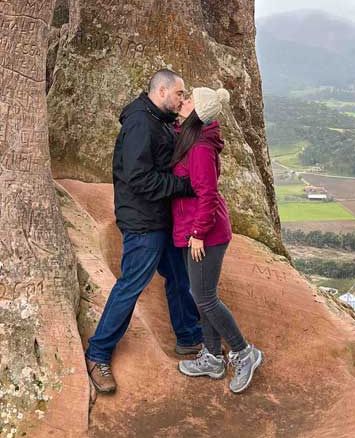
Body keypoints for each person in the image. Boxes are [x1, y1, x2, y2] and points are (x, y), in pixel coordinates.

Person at [85, 69, 204, 394]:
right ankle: (97, 354)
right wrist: (183, 186)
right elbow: (138, 178)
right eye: (179, 94)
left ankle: (189, 337)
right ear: (162, 91)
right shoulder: (141, 123)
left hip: (160, 216)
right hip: (142, 221)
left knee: (180, 275)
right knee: (132, 284)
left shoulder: (157, 119)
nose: (182, 99)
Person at [171, 86, 264, 394]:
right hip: (195, 228)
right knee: (201, 294)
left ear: (199, 113)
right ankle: (212, 356)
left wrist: (197, 234)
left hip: (206, 233)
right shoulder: (190, 134)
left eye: (189, 100)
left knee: (205, 296)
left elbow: (207, 195)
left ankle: (243, 352)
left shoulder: (200, 147)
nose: (183, 102)